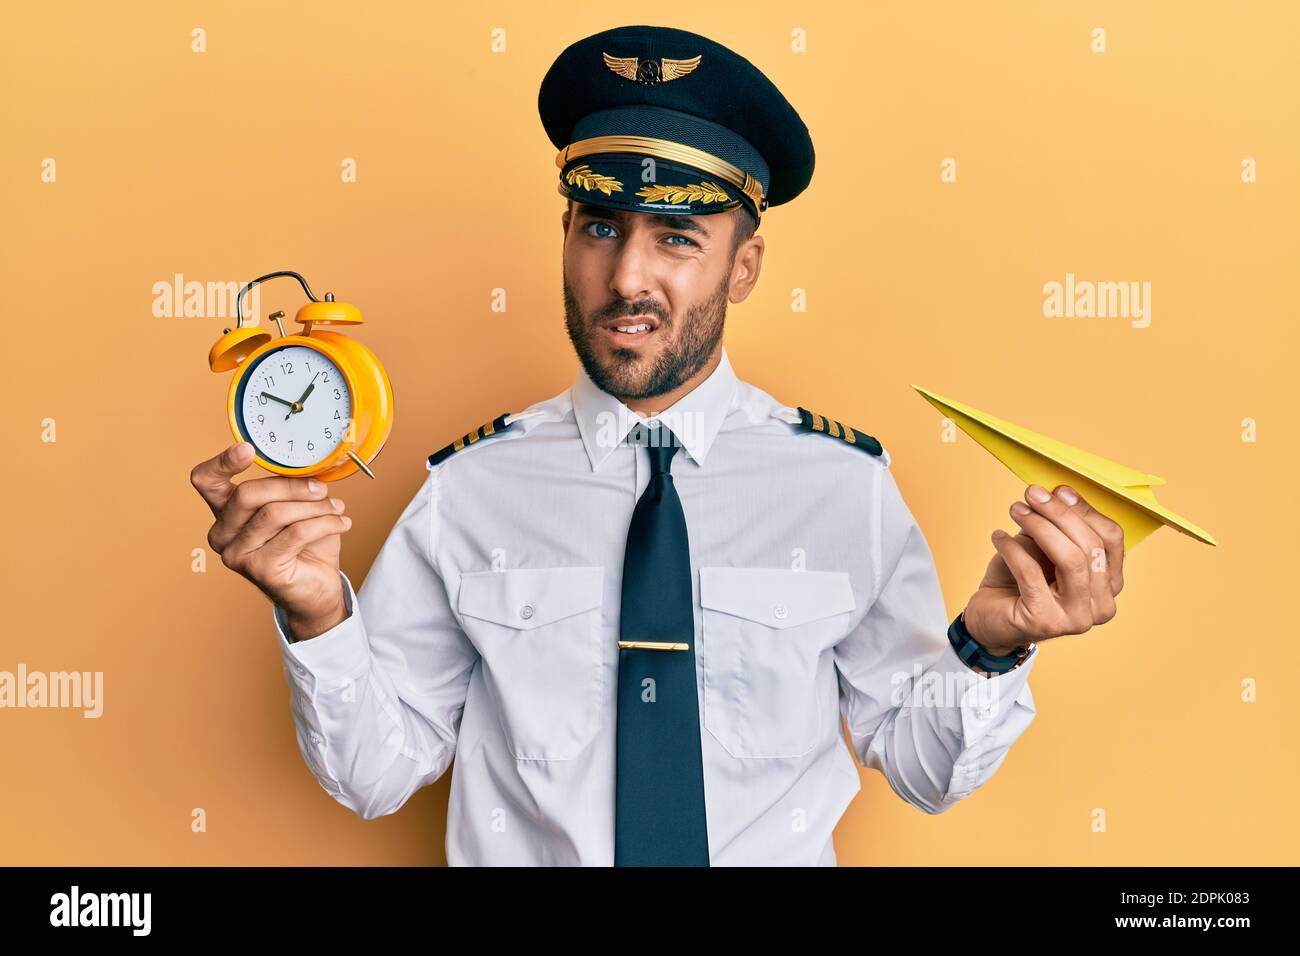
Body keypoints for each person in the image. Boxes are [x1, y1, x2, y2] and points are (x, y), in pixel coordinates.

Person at [190, 25, 1125, 866]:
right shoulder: (466, 491)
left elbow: (924, 772)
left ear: (743, 267)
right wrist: (318, 615)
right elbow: (375, 774)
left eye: (677, 237)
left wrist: (990, 648)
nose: (626, 277)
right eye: (601, 227)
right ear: (566, 235)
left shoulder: (846, 489)